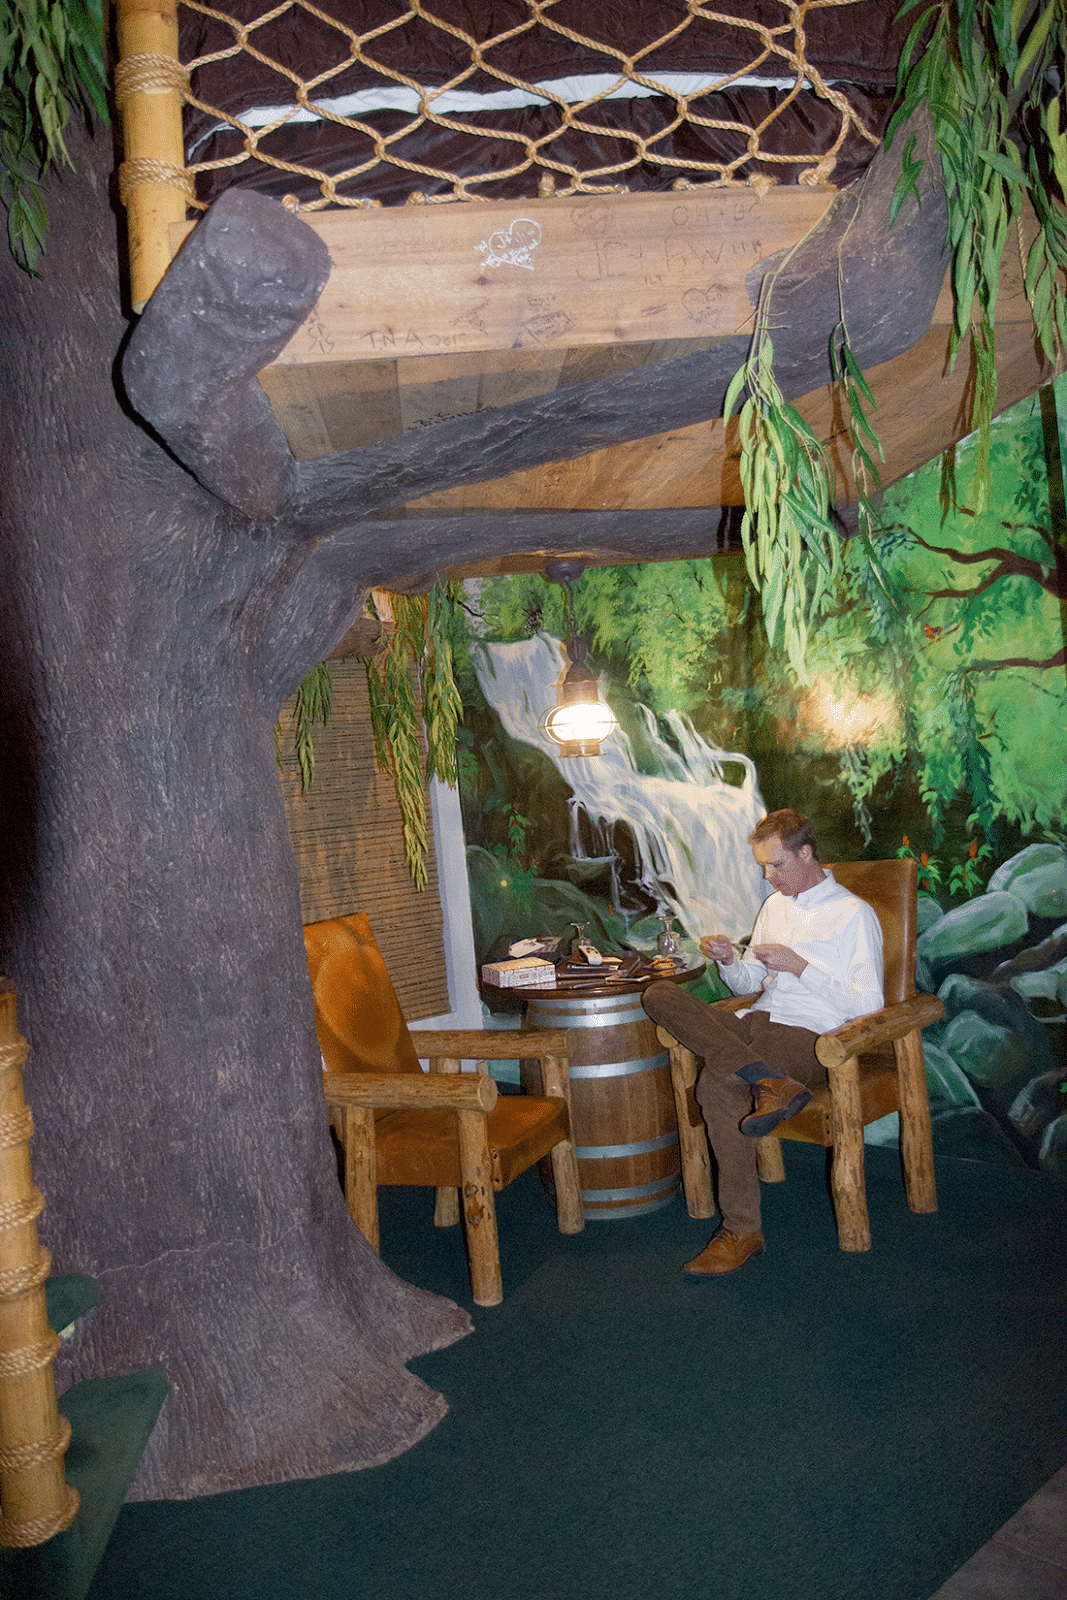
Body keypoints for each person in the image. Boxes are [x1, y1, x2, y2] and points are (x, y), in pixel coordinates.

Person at [641, 809, 884, 1277]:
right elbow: (747, 983)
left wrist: (800, 966)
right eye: (762, 867)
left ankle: (741, 1230)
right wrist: (731, 959)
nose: (767, 877)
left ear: (806, 853)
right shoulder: (775, 908)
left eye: (775, 865)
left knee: (716, 1084)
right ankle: (768, 1080)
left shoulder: (853, 914)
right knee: (659, 994)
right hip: (756, 1020)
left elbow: (868, 1002)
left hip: (809, 1033)